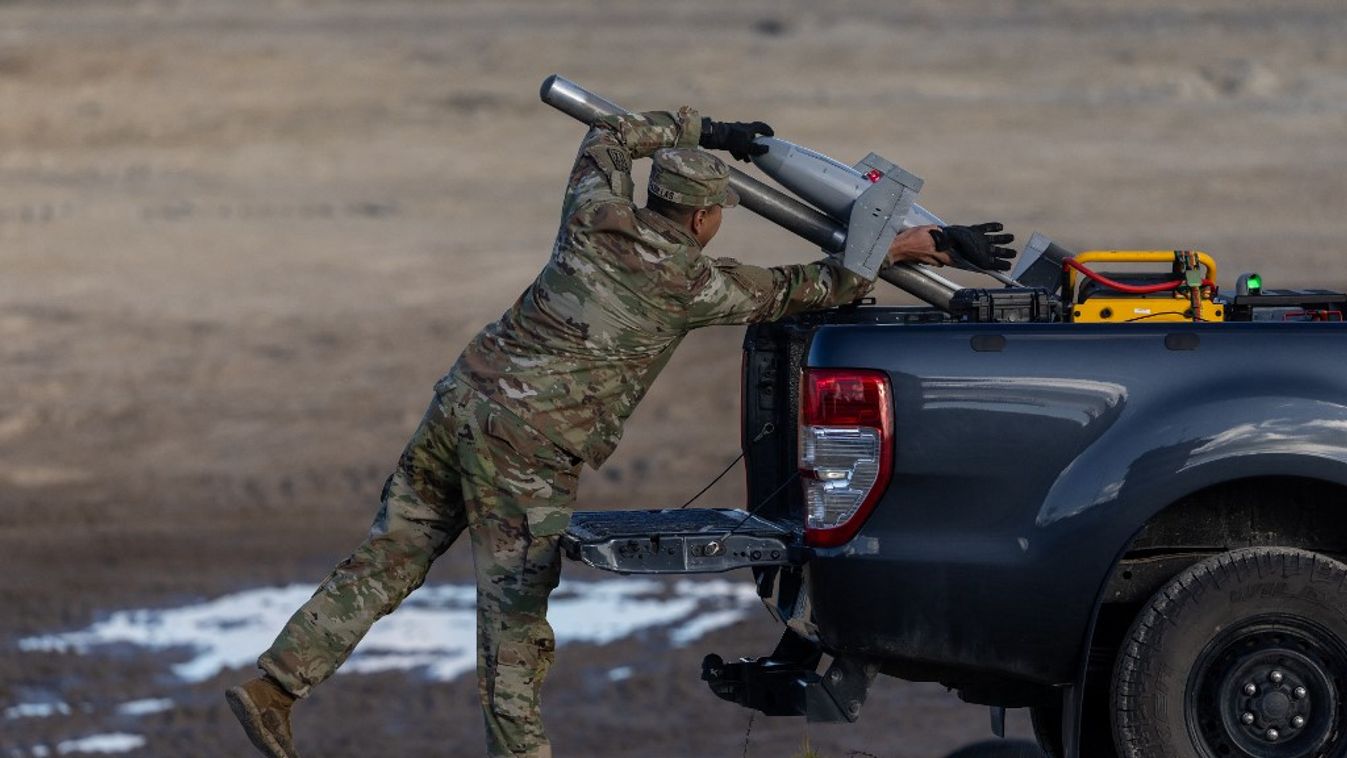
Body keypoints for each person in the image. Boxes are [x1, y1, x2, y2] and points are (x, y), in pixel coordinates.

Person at [225, 106, 1013, 758]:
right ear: (705, 217)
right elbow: (818, 286)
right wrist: (925, 245)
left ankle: (275, 686)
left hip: (463, 399)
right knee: (513, 616)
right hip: (528, 445)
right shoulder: (692, 284)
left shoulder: (593, 214)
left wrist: (699, 129)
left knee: (387, 557)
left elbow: (605, 136)